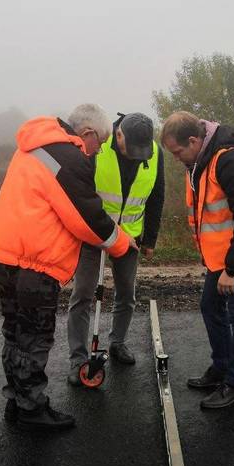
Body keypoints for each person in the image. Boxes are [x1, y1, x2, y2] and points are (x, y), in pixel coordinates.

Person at [0, 104, 138, 429]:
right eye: (99, 143)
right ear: (87, 134)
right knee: (34, 336)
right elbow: (89, 220)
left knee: (14, 332)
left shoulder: (36, 144)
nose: (97, 152)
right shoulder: (69, 159)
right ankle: (31, 410)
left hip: (5, 254)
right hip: (34, 261)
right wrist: (123, 244)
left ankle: (16, 401)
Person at [160, 111, 234, 409]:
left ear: (193, 140)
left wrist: (231, 270)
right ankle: (222, 367)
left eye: (177, 152)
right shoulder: (200, 157)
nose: (176, 158)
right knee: (211, 305)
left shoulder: (231, 159)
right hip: (229, 251)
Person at [67, 112, 164, 380]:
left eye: (140, 152)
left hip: (130, 237)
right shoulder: (98, 147)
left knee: (126, 294)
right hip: (93, 234)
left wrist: (150, 238)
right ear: (119, 134)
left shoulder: (153, 152)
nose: (135, 156)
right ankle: (78, 359)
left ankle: (117, 343)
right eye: (130, 149)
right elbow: (80, 190)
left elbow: (157, 195)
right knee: (83, 294)